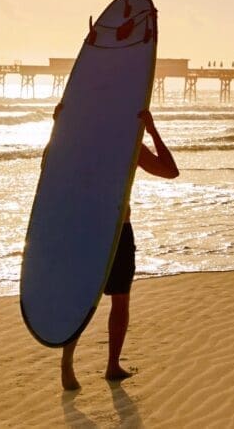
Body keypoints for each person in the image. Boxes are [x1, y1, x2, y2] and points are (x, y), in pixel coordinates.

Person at [54, 106, 179, 390]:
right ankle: (71, 365)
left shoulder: (109, 145)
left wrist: (152, 129)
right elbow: (51, 174)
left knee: (112, 298)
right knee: (92, 299)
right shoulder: (96, 144)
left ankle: (107, 365)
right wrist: (58, 128)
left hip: (106, 232)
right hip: (96, 232)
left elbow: (171, 171)